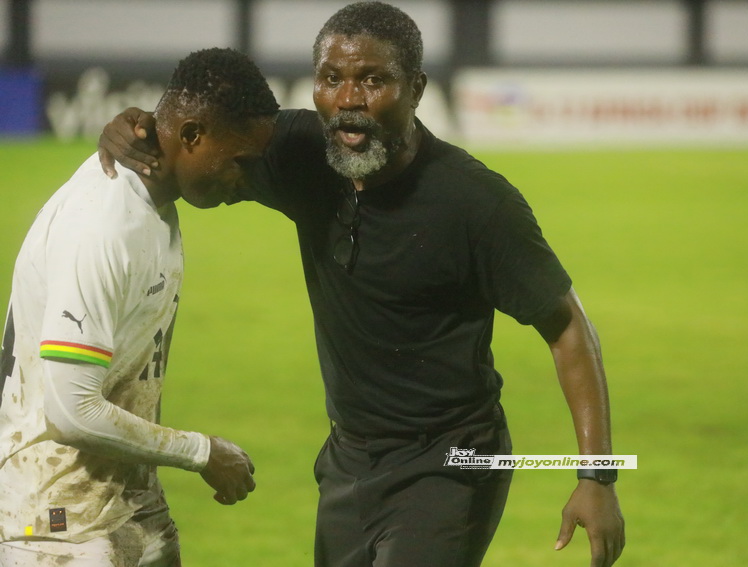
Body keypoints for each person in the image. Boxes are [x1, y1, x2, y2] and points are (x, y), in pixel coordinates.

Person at [98, 2, 625, 566]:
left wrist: (598, 477)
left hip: (452, 460)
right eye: (331, 78)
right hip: (348, 461)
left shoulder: (478, 205)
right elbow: (197, 148)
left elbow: (569, 328)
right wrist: (137, 128)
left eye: (373, 80)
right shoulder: (299, 152)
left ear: (416, 88)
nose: (348, 98)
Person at [0, 48, 280, 566]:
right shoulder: (102, 226)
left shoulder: (155, 203)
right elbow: (71, 409)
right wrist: (202, 452)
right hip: (56, 525)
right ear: (192, 135)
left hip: (126, 506)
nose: (246, 181)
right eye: (240, 162)